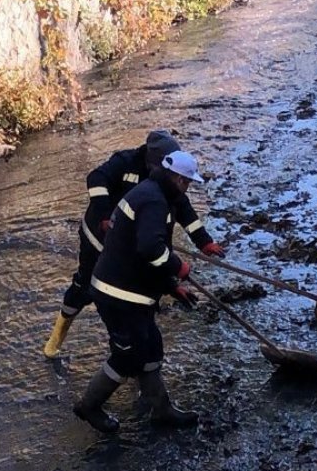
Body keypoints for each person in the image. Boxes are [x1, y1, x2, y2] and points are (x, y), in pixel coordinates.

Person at [43, 131, 225, 358]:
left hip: (131, 244)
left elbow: (183, 211)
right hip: (98, 239)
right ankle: (58, 335)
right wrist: (104, 215)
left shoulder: (167, 184)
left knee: (139, 290)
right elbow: (96, 179)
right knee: (83, 289)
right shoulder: (126, 163)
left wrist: (204, 242)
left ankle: (131, 350)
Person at [72, 150, 207, 433]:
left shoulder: (154, 193)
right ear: (177, 179)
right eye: (186, 182)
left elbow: (142, 254)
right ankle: (89, 406)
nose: (187, 188)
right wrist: (178, 267)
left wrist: (171, 286)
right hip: (118, 295)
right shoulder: (154, 201)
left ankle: (161, 408)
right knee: (128, 356)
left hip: (131, 292)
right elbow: (150, 249)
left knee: (151, 347)